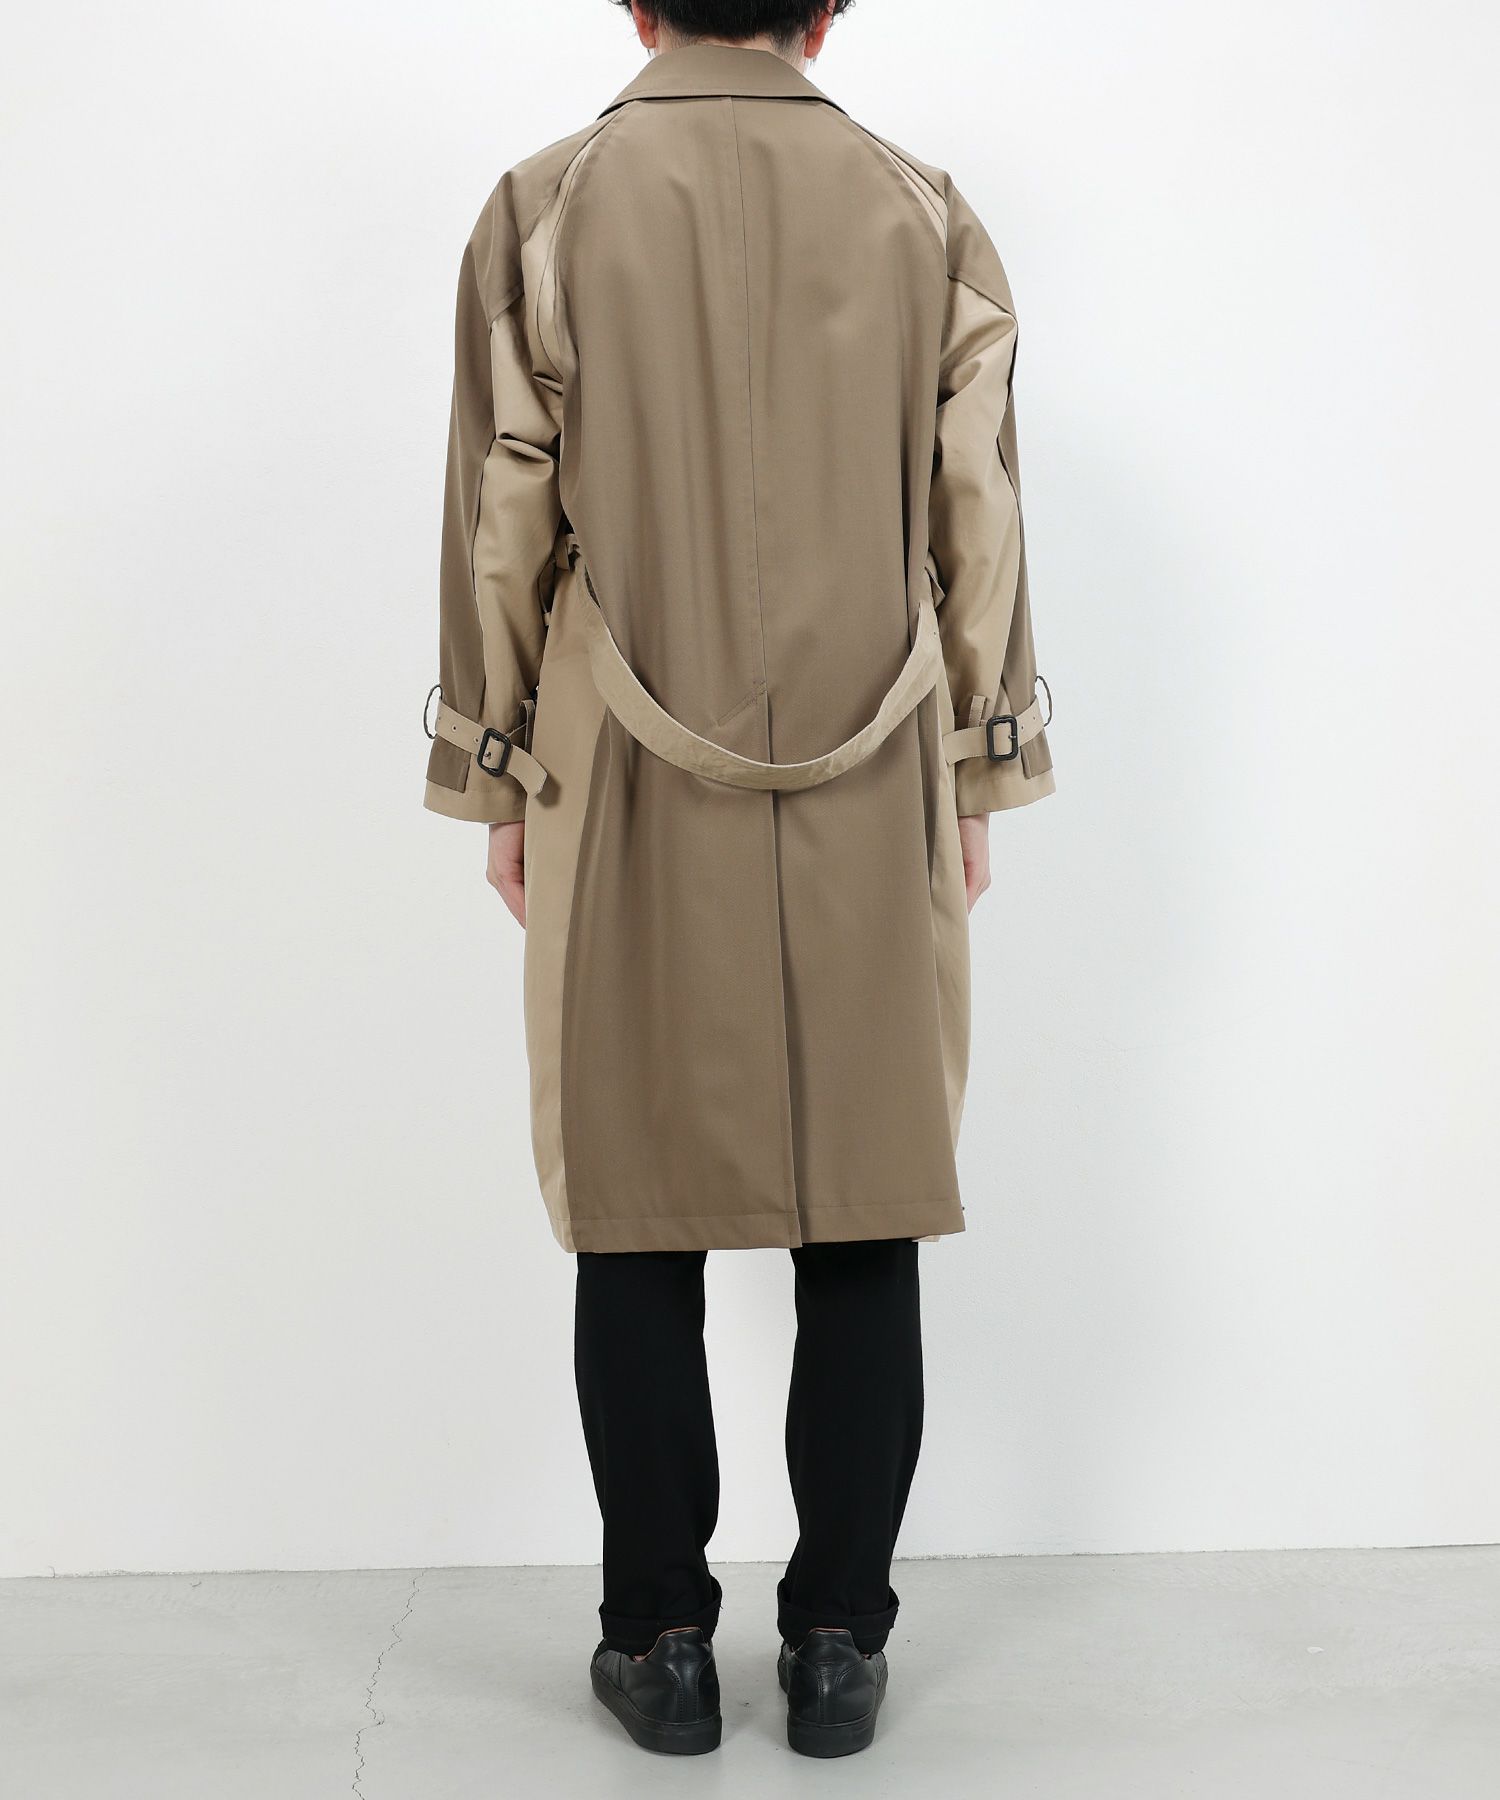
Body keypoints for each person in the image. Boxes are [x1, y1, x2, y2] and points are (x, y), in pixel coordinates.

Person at [421, 0, 1056, 1759]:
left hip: (618, 762)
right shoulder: (926, 209)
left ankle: (661, 1643)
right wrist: (981, 764)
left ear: (636, 5)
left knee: (636, 1200)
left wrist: (495, 770)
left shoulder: (545, 203)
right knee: (864, 1190)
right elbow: (978, 507)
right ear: (830, 10)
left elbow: (503, 509)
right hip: (879, 754)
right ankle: (840, 1642)